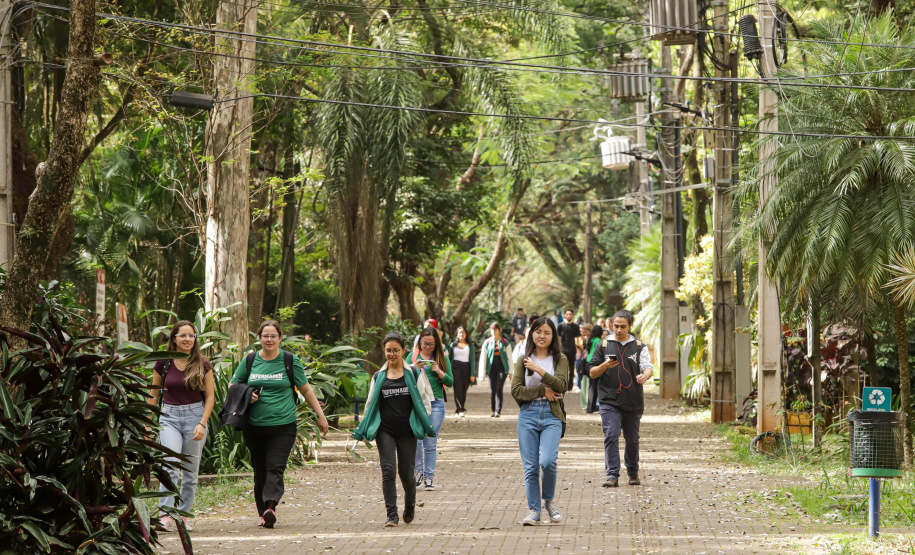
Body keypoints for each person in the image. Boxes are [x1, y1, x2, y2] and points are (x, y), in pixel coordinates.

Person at [230, 320, 329, 528]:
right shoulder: (249, 360)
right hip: (254, 426)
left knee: (275, 467)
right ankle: (262, 512)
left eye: (273, 336)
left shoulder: (289, 361)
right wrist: (247, 395)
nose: (269, 339)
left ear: (280, 338)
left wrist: (321, 416)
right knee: (260, 470)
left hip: (283, 426)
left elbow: (306, 390)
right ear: (259, 338)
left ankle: (270, 508)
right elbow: (233, 384)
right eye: (265, 336)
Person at [352, 332, 436, 527]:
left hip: (407, 431)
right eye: (388, 350)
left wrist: (421, 421)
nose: (392, 354)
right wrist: (368, 426)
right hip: (385, 431)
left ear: (403, 351)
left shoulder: (414, 373)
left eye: (395, 350)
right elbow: (371, 404)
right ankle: (392, 515)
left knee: (406, 473)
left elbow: (425, 401)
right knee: (388, 470)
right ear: (384, 351)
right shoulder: (378, 376)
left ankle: (410, 503)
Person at [148, 320, 216, 533]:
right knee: (169, 465)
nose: (187, 339)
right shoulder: (163, 363)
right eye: (183, 335)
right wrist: (148, 423)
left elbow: (211, 397)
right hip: (168, 417)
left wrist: (202, 423)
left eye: (191, 335)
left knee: (189, 471)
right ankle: (165, 515)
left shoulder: (202, 363)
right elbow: (154, 394)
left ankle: (183, 516)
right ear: (174, 339)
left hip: (195, 415)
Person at [510, 317, 569, 526]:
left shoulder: (559, 359)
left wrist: (540, 370)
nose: (541, 336)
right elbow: (516, 391)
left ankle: (549, 500)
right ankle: (534, 510)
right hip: (528, 415)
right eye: (538, 331)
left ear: (553, 336)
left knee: (548, 461)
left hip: (552, 414)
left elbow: (562, 385)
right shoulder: (523, 359)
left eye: (546, 332)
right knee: (531, 467)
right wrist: (542, 390)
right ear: (531, 334)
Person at [588, 310, 653, 488]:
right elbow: (592, 373)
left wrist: (644, 376)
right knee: (611, 434)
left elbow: (648, 367)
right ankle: (612, 475)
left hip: (633, 401)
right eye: (616, 326)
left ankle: (633, 472)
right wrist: (605, 365)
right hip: (609, 400)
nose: (618, 330)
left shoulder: (639, 346)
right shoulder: (603, 346)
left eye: (623, 326)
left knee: (632, 438)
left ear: (630, 327)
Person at [409, 327, 453, 490]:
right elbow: (404, 378)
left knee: (430, 443)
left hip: (436, 403)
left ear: (437, 344)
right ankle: (417, 472)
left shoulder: (442, 358)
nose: (427, 347)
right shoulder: (412, 356)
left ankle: (429, 478)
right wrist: (414, 367)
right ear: (419, 342)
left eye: (431, 344)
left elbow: (450, 382)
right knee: (417, 439)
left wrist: (437, 370)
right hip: (417, 404)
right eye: (424, 343)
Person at [479, 321, 511, 417]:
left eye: (495, 329)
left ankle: (498, 410)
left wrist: (510, 372)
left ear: (499, 330)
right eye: (492, 329)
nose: (493, 331)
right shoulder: (487, 342)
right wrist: (482, 374)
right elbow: (483, 358)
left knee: (499, 388)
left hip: (502, 367)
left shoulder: (505, 342)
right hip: (491, 368)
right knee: (493, 389)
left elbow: (510, 357)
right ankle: (493, 410)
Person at [449, 326, 476, 416]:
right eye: (460, 332)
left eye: (463, 332)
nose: (461, 334)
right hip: (455, 368)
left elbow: (472, 360)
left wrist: (472, 374)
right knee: (457, 389)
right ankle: (460, 409)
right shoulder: (453, 345)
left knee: (464, 389)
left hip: (466, 368)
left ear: (466, 334)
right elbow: (449, 359)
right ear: (457, 334)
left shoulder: (470, 345)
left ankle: (461, 408)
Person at [581, 325, 603, 413]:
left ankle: (591, 406)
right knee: (594, 387)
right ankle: (592, 408)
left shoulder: (591, 339)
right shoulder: (598, 340)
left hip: (587, 364)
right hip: (594, 364)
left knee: (591, 386)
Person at [557, 309, 580, 393]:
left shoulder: (576, 326)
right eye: (567, 314)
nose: (569, 315)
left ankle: (569, 388)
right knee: (563, 369)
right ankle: (562, 386)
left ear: (573, 315)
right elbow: (558, 338)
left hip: (572, 350)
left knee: (571, 369)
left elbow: (577, 339)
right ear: (564, 315)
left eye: (570, 314)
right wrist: (558, 349)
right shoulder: (560, 326)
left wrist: (578, 351)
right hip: (563, 350)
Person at [576, 324, 593, 393]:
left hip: (590, 360)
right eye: (583, 332)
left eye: (586, 332)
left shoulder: (593, 339)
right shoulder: (585, 339)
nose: (584, 333)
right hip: (584, 359)